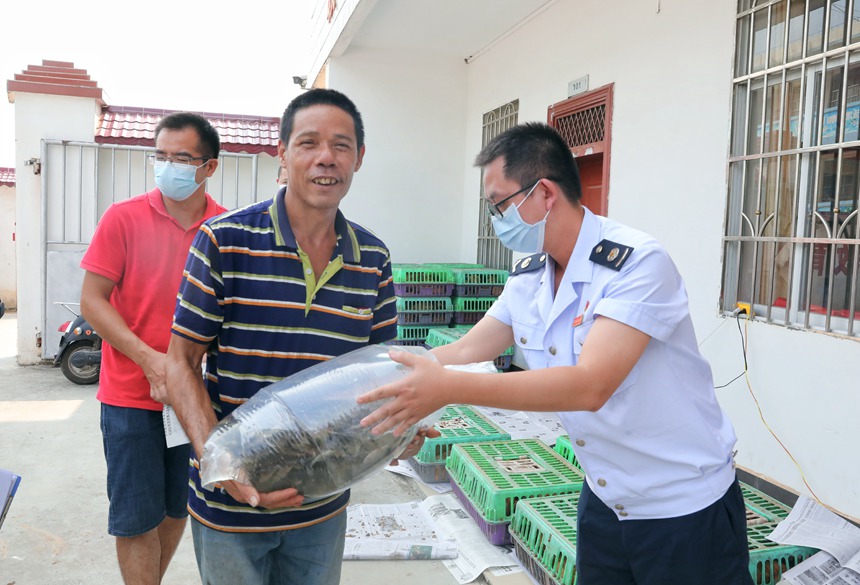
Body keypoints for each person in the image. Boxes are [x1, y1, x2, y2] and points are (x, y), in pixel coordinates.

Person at [358, 122, 754, 585]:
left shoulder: (637, 262)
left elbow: (590, 385)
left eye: (499, 204)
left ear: (543, 192)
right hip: (605, 497)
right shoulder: (529, 273)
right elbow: (470, 346)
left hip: (682, 507)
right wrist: (396, 378)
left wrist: (445, 388)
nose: (495, 219)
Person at [164, 88, 429, 585]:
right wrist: (221, 468)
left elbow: (382, 375)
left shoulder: (372, 259)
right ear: (282, 153)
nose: (326, 158)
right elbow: (180, 363)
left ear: (359, 158)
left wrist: (402, 430)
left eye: (341, 145)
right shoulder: (224, 241)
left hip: (322, 510)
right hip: (231, 509)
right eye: (308, 143)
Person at [80, 112, 226, 585]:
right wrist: (149, 359)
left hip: (194, 402)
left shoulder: (225, 231)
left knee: (176, 506)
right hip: (129, 396)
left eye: (182, 158)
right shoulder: (123, 218)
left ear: (209, 167)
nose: (169, 167)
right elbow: (93, 300)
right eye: (160, 156)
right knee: (135, 517)